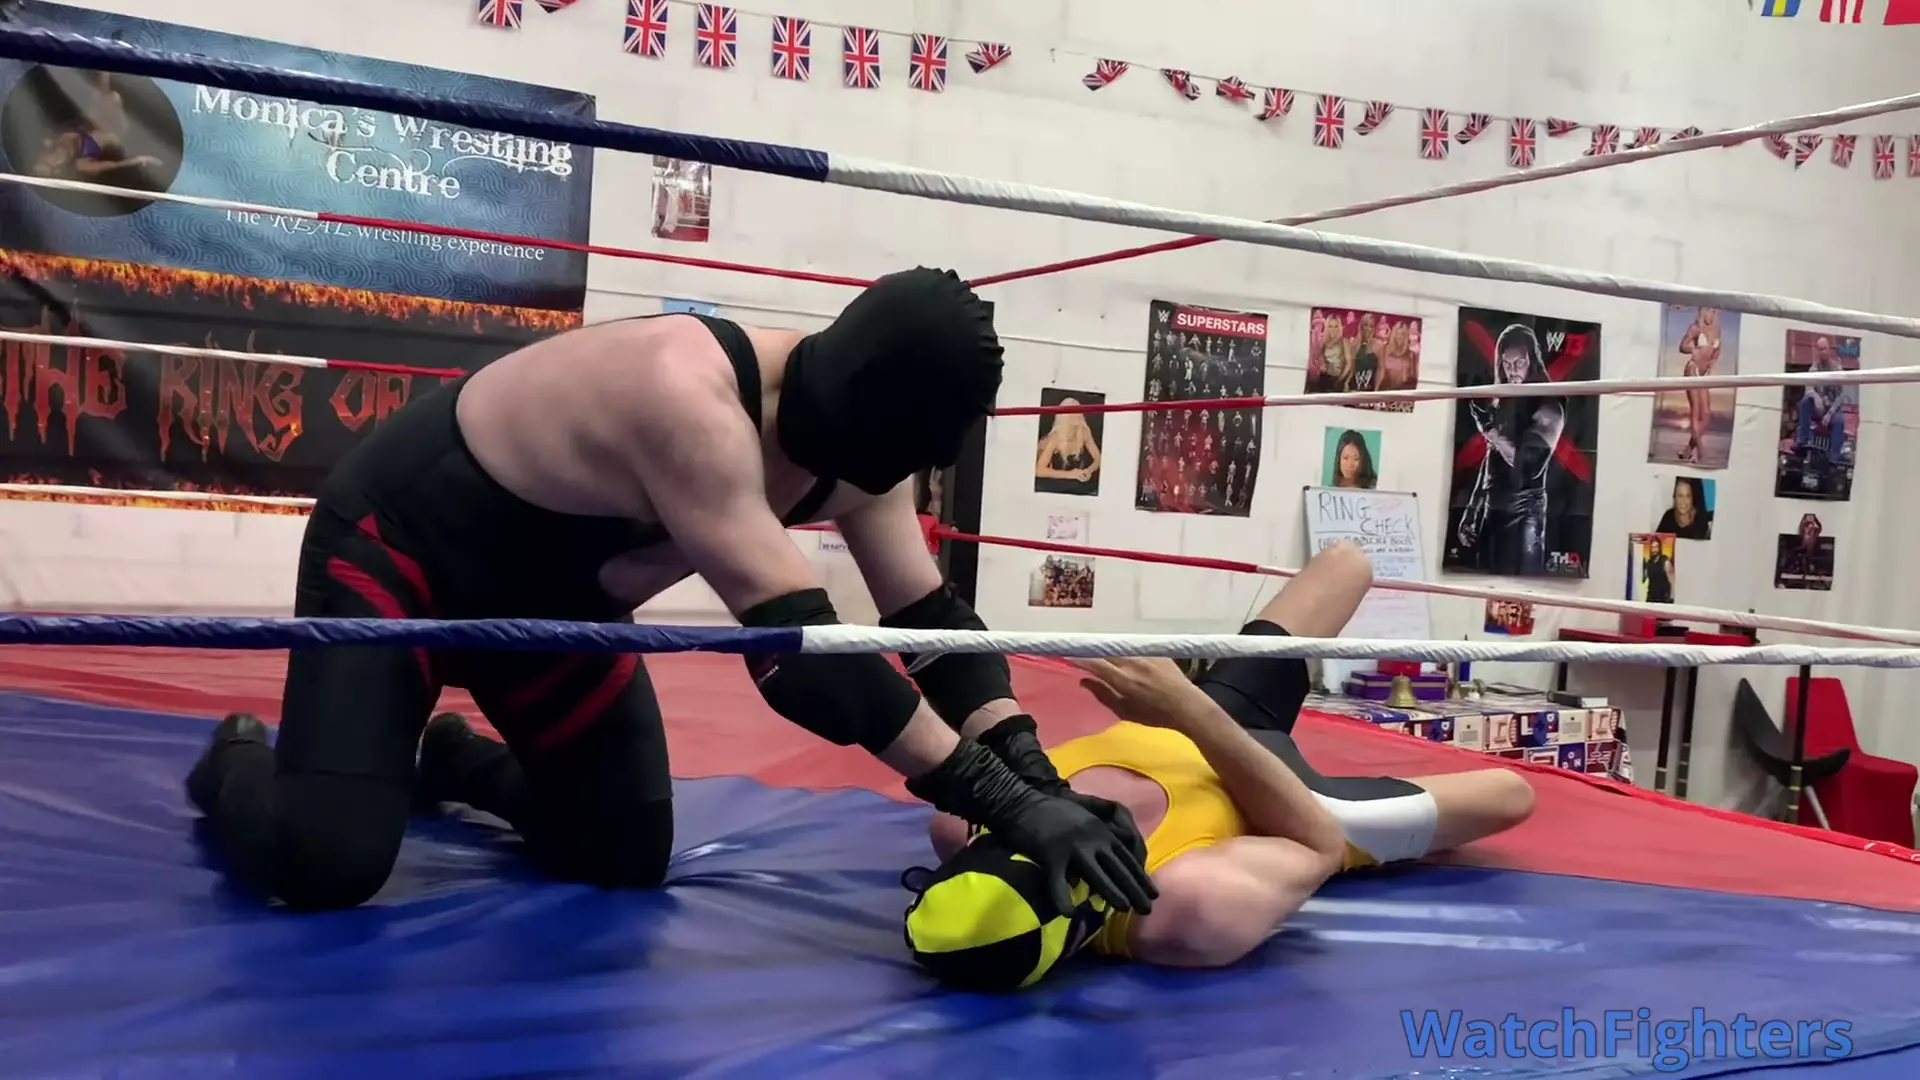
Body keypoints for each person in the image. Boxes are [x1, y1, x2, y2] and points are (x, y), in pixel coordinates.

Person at [184, 268, 1156, 915]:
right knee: (326, 862)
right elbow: (805, 661)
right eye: (898, 451)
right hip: (404, 555)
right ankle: (234, 760)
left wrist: (1041, 784)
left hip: (559, 613)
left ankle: (453, 760)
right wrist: (1004, 803)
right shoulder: (688, 395)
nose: (897, 476)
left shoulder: (871, 456)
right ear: (863, 401)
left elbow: (931, 626)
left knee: (621, 849)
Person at [901, 544, 1536, 989]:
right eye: (1049, 861)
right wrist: (1186, 710)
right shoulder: (1188, 908)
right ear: (1081, 907)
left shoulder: (965, 822)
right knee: (1510, 794)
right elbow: (1316, 845)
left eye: (1014, 837)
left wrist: (1184, 708)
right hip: (1284, 796)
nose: (1040, 833)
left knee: (1345, 564)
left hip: (1197, 718)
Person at [1457, 324, 1565, 576]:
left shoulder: (1550, 403)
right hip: (1492, 510)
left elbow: (1528, 466)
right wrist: (1472, 509)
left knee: (1520, 588)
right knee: (1483, 585)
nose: (1513, 370)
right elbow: (1492, 458)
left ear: (1532, 360)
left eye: (1519, 363)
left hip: (1525, 515)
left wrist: (1490, 430)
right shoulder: (1505, 399)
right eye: (1506, 364)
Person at [1033, 401, 1103, 495]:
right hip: (1057, 483)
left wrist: (1088, 471)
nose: (1078, 415)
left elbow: (1099, 459)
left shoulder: (1084, 432)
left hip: (1077, 483)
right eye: (1074, 412)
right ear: (1065, 416)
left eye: (1079, 411)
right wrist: (1070, 474)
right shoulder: (1056, 437)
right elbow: (1039, 470)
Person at [1655, 476, 1711, 541]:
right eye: (1680, 495)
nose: (1683, 501)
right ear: (1675, 498)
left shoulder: (1700, 523)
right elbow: (1655, 541)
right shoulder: (1668, 516)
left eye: (1688, 496)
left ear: (1692, 499)